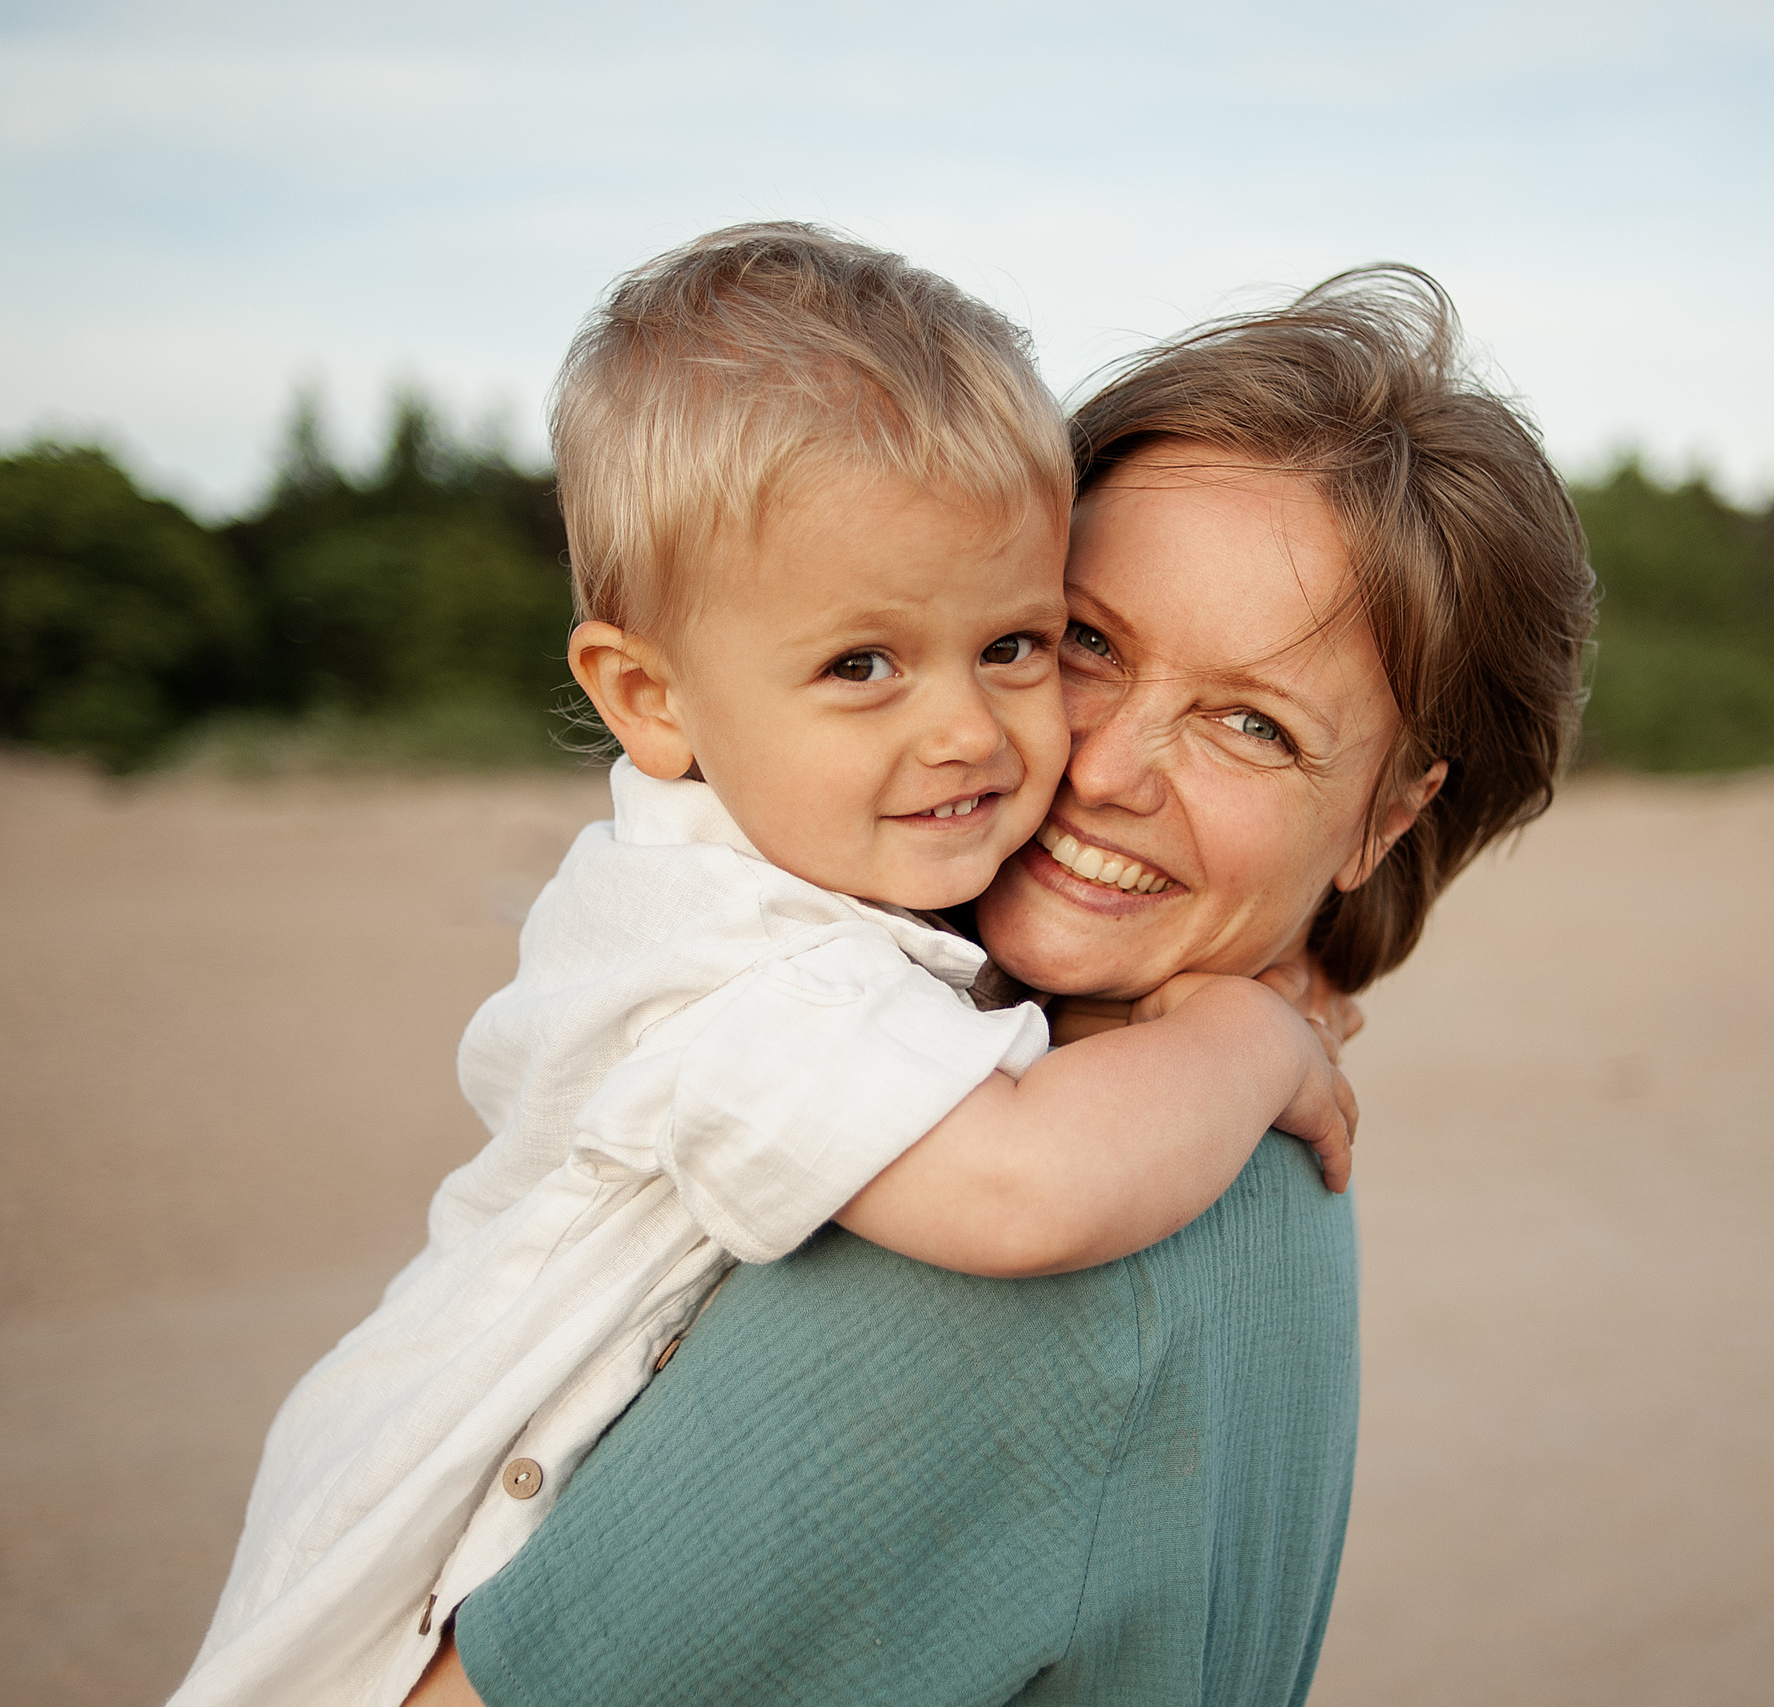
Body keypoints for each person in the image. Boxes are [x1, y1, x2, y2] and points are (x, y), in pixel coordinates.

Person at [174, 226, 1358, 1707]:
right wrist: (1252, 1040)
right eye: (863, 666)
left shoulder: (832, 866)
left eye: (1014, 643)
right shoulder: (731, 959)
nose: (968, 733)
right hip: (379, 1630)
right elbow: (1021, 1190)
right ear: (649, 697)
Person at [411, 264, 1598, 1705]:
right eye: (1080, 641)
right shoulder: (1236, 1149)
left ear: (1385, 822)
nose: (1101, 770)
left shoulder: (1032, 1250)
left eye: (1252, 726)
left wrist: (1240, 1030)